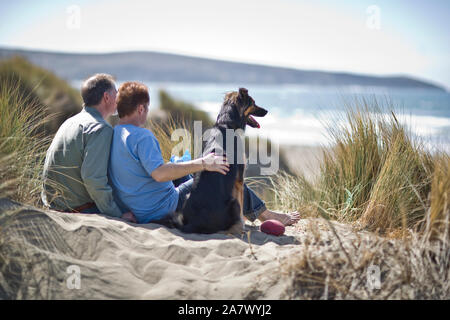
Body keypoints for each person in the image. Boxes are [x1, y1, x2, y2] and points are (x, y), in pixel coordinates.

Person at [108, 81, 300, 227]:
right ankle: (267, 215)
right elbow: (159, 174)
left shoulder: (115, 134)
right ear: (141, 108)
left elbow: (138, 171)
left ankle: (256, 212)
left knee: (194, 169)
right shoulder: (143, 136)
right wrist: (203, 163)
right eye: (147, 108)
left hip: (140, 207)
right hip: (166, 206)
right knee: (225, 171)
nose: (147, 112)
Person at [41, 73, 136, 223]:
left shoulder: (70, 122)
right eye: (116, 94)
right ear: (106, 97)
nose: (119, 99)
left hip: (53, 204)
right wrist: (117, 215)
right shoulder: (101, 128)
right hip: (77, 210)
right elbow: (93, 179)